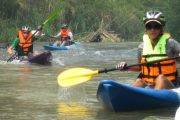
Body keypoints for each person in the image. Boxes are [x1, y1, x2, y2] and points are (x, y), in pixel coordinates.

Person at [116, 10, 180, 90]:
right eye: (149, 26)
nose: (152, 30)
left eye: (156, 26)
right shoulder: (141, 47)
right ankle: (125, 96)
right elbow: (139, 67)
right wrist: (126, 67)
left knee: (160, 78)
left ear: (161, 28)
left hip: (169, 85)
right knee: (139, 81)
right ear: (146, 29)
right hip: (149, 84)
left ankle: (154, 98)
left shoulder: (171, 43)